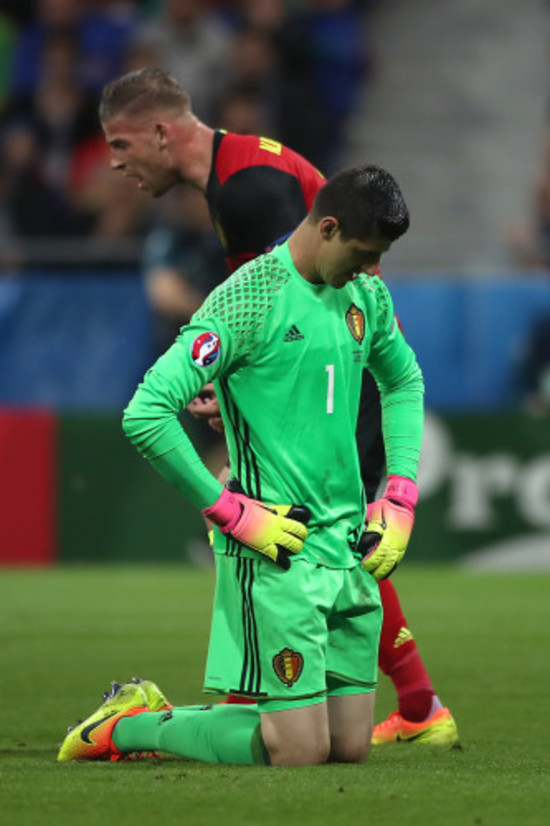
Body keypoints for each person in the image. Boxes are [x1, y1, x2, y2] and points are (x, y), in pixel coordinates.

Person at [95, 67, 458, 745]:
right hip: (327, 379)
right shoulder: (246, 170)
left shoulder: (245, 192)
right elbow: (256, 327)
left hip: (339, 377)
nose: (116, 164)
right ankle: (407, 701)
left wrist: (398, 492)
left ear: (160, 132)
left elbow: (287, 327)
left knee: (336, 536)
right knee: (322, 545)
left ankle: (403, 701)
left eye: (120, 145)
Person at [58, 163, 424, 767]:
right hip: (278, 544)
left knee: (349, 748)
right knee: (301, 751)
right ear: (327, 228)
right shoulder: (248, 297)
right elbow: (145, 412)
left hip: (348, 543)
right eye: (362, 254)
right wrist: (230, 513)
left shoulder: (365, 293)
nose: (370, 269)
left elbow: (403, 380)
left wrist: (401, 494)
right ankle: (127, 726)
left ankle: (250, 721)